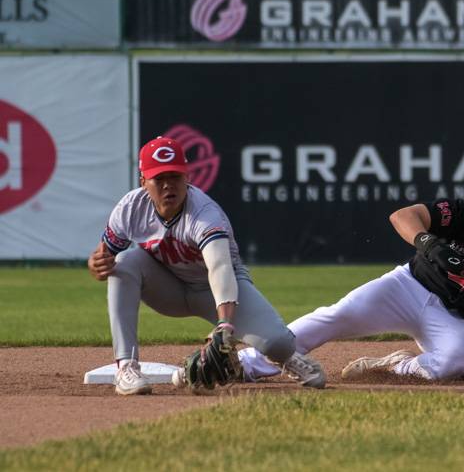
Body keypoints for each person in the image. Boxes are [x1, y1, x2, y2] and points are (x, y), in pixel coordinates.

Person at [238, 179, 464, 382]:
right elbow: (403, 216)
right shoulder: (459, 214)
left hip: (454, 318)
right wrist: (427, 242)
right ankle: (246, 363)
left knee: (455, 362)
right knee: (337, 315)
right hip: (407, 288)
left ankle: (396, 364)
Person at [87, 136, 326, 395]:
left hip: (216, 291)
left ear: (187, 177)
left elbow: (220, 267)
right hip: (168, 288)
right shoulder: (130, 208)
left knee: (278, 343)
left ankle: (286, 358)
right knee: (123, 263)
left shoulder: (204, 213)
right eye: (159, 178)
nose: (168, 185)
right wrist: (96, 264)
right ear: (143, 181)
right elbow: (103, 258)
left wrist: (224, 324)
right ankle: (126, 367)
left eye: (175, 176)